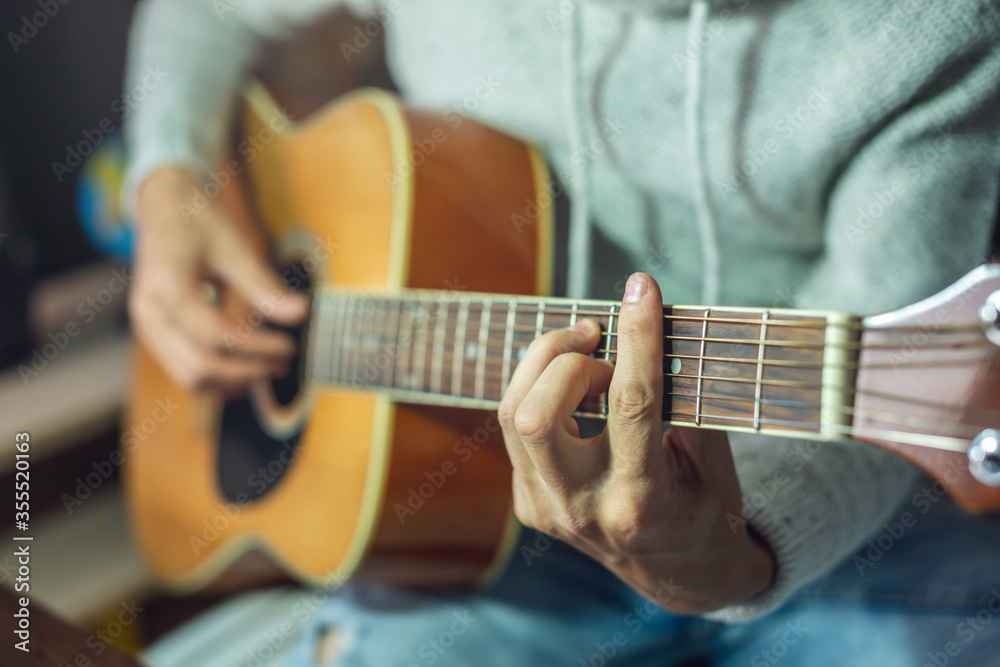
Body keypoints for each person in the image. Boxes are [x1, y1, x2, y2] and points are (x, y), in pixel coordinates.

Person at [123, 0, 1000, 665]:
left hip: (836, 544)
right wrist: (167, 183)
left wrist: (718, 555)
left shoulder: (937, 28)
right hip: (487, 529)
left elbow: (890, 401)